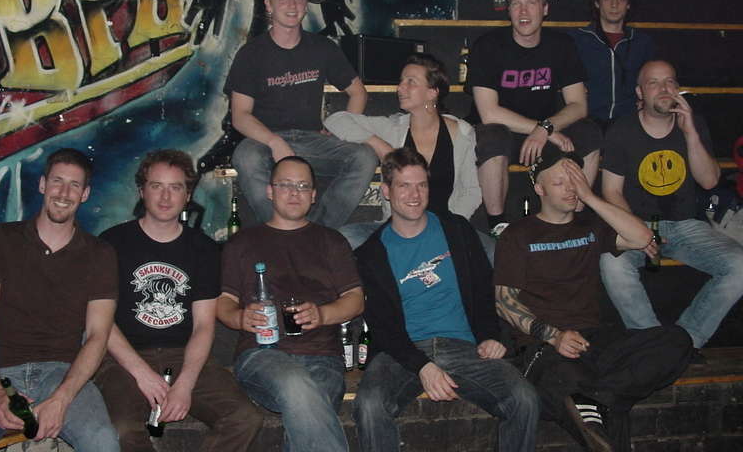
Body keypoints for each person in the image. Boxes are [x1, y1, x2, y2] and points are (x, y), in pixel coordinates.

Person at [494, 144, 692, 451]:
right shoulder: (517, 235)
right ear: (539, 189)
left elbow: (643, 237)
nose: (570, 188)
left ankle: (597, 398)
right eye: (560, 182)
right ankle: (598, 399)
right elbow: (504, 302)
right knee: (572, 382)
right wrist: (554, 336)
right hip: (545, 347)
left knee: (676, 341)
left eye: (575, 180)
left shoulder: (591, 225)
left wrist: (590, 197)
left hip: (595, 340)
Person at [352, 148, 539, 452]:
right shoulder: (370, 254)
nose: (414, 195)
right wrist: (422, 366)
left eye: (421, 185)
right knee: (370, 405)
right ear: (386, 191)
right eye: (404, 186)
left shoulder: (457, 230)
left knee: (524, 399)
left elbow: (483, 288)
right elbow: (382, 326)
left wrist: (490, 335)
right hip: (402, 352)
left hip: (464, 347)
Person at [0, 148, 120, 452]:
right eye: (57, 181)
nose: (64, 193)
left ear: (85, 194)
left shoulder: (100, 254)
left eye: (74, 185)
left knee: (103, 441)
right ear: (42, 184)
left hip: (63, 373)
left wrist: (62, 399)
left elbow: (98, 335)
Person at [95, 149, 262, 451]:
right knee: (122, 431)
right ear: (142, 191)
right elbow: (100, 322)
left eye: (175, 187)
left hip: (183, 354)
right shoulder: (112, 243)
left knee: (243, 419)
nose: (165, 196)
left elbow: (203, 326)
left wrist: (185, 383)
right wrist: (142, 373)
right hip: (123, 358)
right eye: (156, 186)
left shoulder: (204, 249)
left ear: (188, 195)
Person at [217, 155, 364, 452]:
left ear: (313, 195)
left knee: (308, 412)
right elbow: (223, 303)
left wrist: (322, 314)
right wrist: (240, 318)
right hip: (262, 354)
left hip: (324, 357)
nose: (294, 192)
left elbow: (356, 300)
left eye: (302, 186)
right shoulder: (242, 242)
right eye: (285, 185)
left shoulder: (331, 241)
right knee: (298, 388)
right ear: (270, 191)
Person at [599, 60, 743, 358]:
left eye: (669, 82)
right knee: (612, 263)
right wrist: (637, 232)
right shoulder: (622, 130)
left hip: (686, 224)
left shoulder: (693, 123)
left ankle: (684, 342)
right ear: (640, 92)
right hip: (637, 222)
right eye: (654, 83)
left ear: (677, 88)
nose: (664, 89)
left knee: (740, 265)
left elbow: (709, 180)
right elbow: (611, 191)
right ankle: (653, 345)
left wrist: (690, 133)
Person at [224, 0, 378, 229]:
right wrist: (274, 142)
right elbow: (240, 116)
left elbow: (358, 92)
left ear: (306, 6)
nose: (292, 5)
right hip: (264, 142)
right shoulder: (251, 54)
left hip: (312, 141)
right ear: (269, 5)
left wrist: (343, 130)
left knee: (365, 158)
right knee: (246, 157)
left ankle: (317, 232)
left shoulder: (323, 48)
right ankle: (278, 231)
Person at [466, 0, 602, 236]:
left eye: (531, 3)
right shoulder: (488, 46)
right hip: (505, 131)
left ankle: (578, 213)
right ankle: (497, 223)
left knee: (589, 132)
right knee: (492, 135)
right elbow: (489, 112)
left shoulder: (561, 45)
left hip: (545, 132)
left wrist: (546, 129)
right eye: (516, 4)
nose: (523, 11)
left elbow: (578, 105)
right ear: (508, 11)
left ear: (545, 9)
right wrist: (541, 129)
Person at [325, 53, 480, 248]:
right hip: (397, 230)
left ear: (432, 92)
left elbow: (471, 191)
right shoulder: (392, 128)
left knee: (491, 250)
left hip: (444, 228)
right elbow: (335, 120)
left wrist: (446, 229)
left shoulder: (462, 134)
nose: (400, 88)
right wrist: (381, 146)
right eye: (401, 81)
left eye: (411, 82)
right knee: (346, 237)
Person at [570, 0, 655, 130]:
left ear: (628, 4)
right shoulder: (576, 40)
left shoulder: (642, 42)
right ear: (597, 2)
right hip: (585, 123)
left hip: (630, 123)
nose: (614, 5)